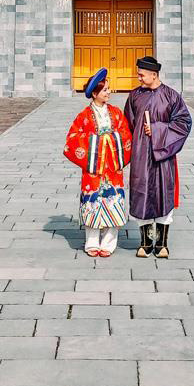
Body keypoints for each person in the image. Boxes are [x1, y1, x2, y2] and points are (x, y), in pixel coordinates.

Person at [124, 56, 192, 258]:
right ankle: (145, 243)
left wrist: (157, 129)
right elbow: (127, 125)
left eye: (142, 74)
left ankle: (162, 244)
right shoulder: (135, 96)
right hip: (141, 154)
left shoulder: (171, 96)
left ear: (154, 74)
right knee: (141, 193)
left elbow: (183, 123)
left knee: (164, 194)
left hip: (163, 156)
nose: (139, 77)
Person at [62, 67, 133, 257]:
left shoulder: (117, 113)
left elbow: (126, 134)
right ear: (95, 93)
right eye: (105, 90)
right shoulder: (84, 116)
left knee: (113, 200)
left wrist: (111, 139)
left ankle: (109, 242)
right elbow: (73, 138)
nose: (109, 92)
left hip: (112, 168)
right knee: (92, 201)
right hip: (94, 168)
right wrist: (98, 141)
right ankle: (92, 241)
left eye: (109, 89)